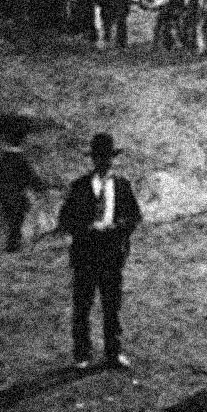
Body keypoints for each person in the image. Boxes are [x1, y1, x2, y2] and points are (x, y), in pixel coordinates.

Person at [55, 132, 142, 371]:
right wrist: (87, 228)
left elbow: (135, 217)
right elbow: (65, 220)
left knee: (112, 305)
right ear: (93, 159)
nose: (104, 161)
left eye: (108, 157)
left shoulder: (122, 185)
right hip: (85, 253)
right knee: (82, 305)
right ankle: (82, 354)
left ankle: (114, 353)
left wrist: (116, 228)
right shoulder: (79, 186)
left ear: (113, 159)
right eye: (99, 157)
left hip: (112, 253)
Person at [0, 126, 46, 253]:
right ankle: (12, 245)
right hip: (17, 197)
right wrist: (40, 187)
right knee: (16, 221)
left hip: (4, 196)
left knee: (10, 220)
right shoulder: (22, 161)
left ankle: (10, 245)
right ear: (21, 142)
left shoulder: (2, 160)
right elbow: (31, 178)